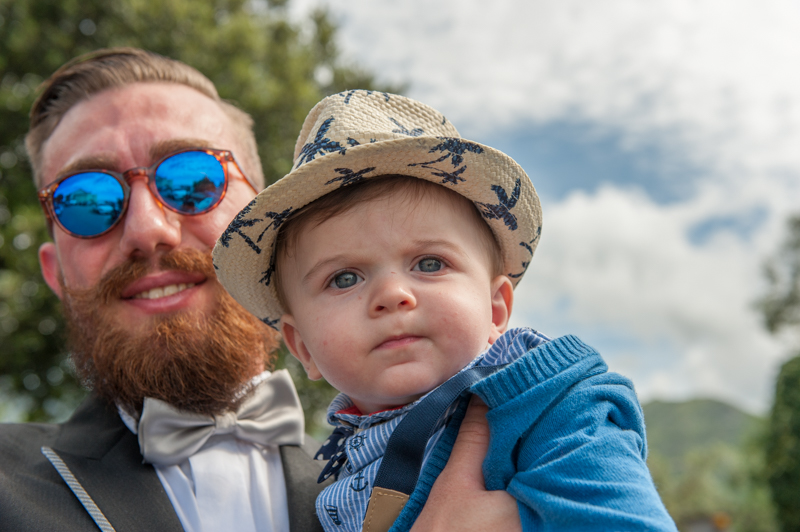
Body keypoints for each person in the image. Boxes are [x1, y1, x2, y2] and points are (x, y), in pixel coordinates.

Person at [0, 48, 523, 532]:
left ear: (267, 228)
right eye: (84, 200)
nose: (147, 229)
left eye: (193, 180)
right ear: (56, 274)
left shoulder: (439, 472)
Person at [212, 90, 678, 531]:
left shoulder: (551, 411)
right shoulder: (333, 468)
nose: (393, 294)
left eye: (430, 264)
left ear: (496, 310)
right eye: (345, 278)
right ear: (302, 347)